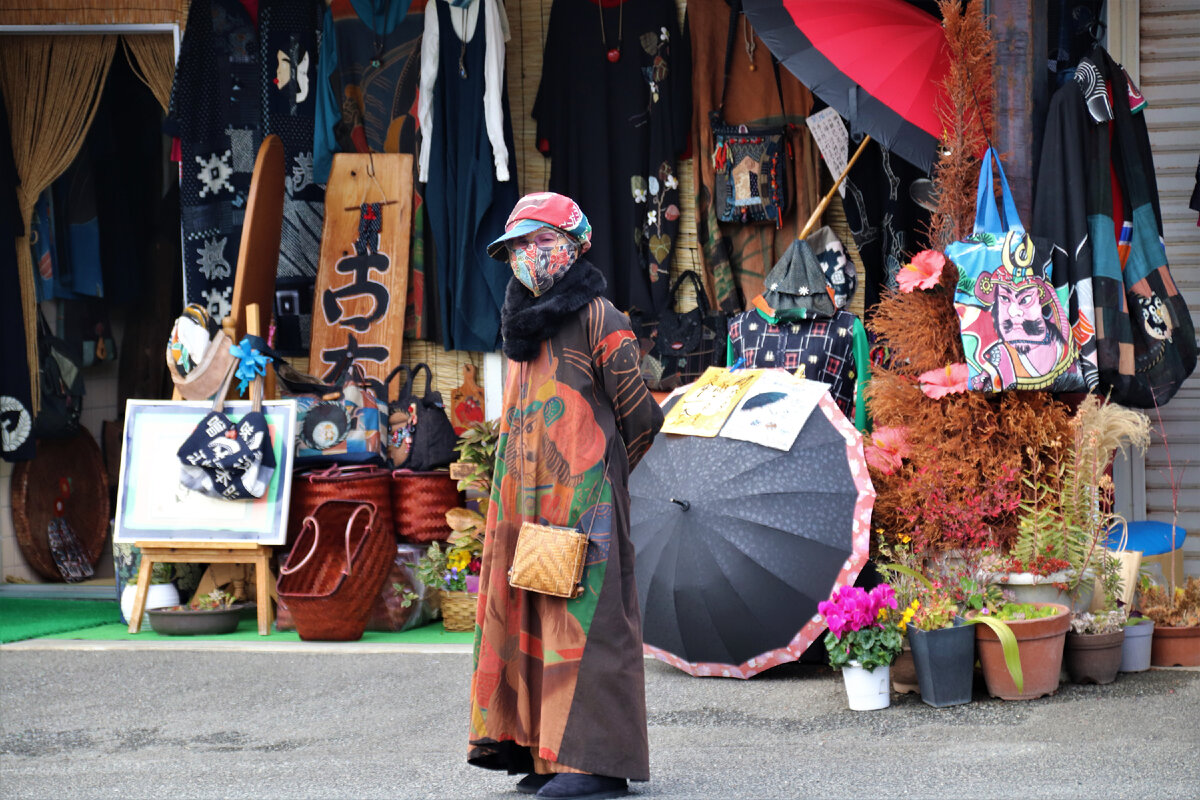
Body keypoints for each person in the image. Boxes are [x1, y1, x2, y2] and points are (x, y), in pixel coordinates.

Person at [467, 192, 664, 800]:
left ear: (575, 246)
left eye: (542, 241)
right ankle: (542, 752)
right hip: (522, 506)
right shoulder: (521, 329)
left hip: (584, 506)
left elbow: (642, 420)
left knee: (588, 625)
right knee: (530, 620)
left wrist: (597, 484)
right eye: (518, 246)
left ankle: (596, 765)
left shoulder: (602, 317)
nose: (529, 255)